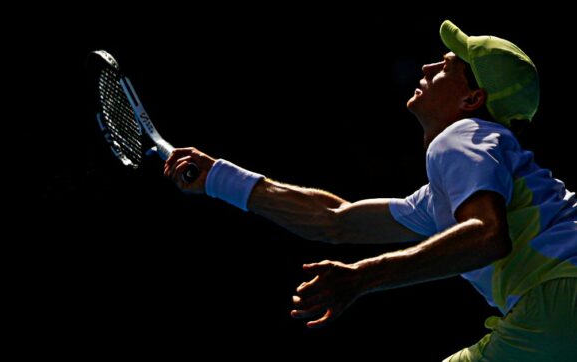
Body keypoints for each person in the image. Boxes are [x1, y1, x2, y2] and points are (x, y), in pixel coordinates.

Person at [164, 20, 576, 361]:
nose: (429, 67)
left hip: (559, 294)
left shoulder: (461, 137)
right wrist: (219, 177)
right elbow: (335, 221)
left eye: (448, 65)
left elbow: (487, 237)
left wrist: (362, 277)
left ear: (472, 98)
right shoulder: (457, 184)